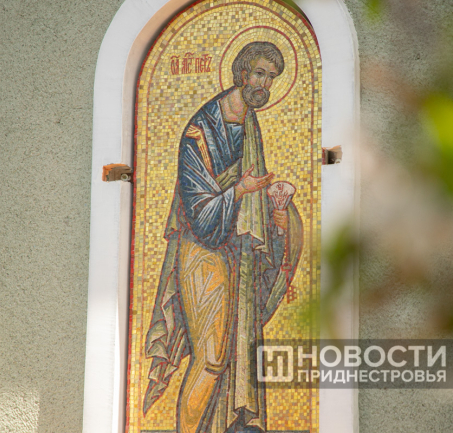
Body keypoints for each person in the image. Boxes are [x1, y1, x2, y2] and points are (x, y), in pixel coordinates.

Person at [143, 41, 303, 433]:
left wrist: (276, 209)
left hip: (235, 253)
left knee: (233, 354)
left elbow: (250, 204)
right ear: (242, 73)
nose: (264, 84)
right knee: (212, 359)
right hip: (202, 248)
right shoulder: (201, 130)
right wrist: (243, 190)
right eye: (260, 73)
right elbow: (200, 212)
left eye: (271, 77)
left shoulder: (249, 124)